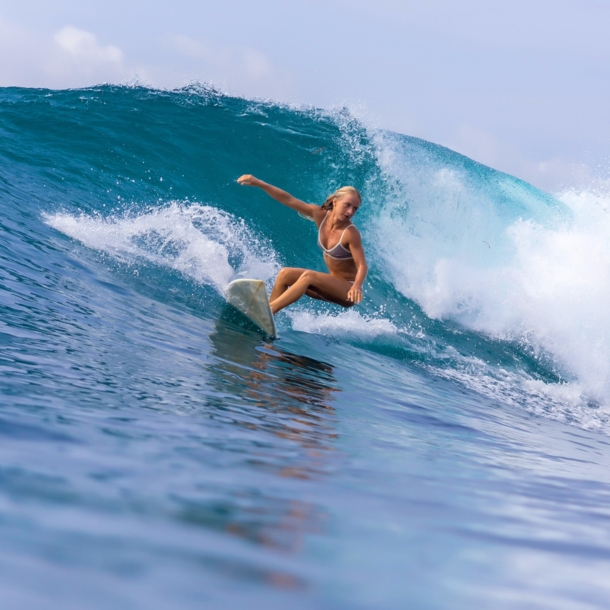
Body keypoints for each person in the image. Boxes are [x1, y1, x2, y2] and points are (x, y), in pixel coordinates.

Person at [237, 175, 368, 314]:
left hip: (348, 290)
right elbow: (288, 199)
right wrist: (260, 183)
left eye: (355, 209)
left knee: (309, 276)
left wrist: (357, 287)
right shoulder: (320, 215)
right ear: (335, 201)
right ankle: (267, 319)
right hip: (329, 284)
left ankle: (268, 310)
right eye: (347, 205)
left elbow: (362, 265)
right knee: (284, 274)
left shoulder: (350, 233)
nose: (350, 212)